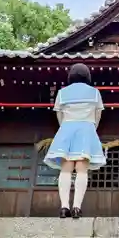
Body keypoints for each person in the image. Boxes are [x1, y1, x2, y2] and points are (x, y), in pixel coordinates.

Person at [44, 63, 106, 219]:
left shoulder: (62, 92)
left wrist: (65, 128)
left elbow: (59, 115)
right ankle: (77, 206)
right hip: (86, 129)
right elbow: (98, 114)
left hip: (66, 128)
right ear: (87, 75)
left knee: (65, 169)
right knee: (82, 170)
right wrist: (92, 127)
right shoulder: (95, 92)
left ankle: (64, 206)